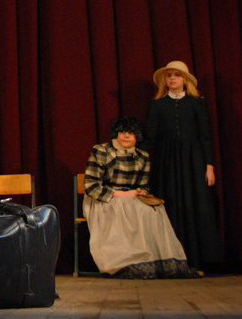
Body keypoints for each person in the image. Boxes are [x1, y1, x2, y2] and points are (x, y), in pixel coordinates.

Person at [84, 117, 198, 278]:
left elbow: (143, 184)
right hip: (104, 197)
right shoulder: (101, 150)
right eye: (123, 132)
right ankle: (124, 262)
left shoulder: (142, 156)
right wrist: (122, 195)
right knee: (124, 207)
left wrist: (141, 192)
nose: (126, 136)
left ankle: (155, 261)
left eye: (131, 133)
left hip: (131, 197)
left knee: (154, 208)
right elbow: (91, 186)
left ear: (137, 137)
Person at [146, 60, 222, 269]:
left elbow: (205, 136)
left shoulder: (196, 104)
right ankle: (172, 259)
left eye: (177, 75)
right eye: (169, 75)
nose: (172, 79)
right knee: (171, 203)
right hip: (167, 160)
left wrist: (209, 166)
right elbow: (150, 137)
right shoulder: (157, 105)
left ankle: (196, 259)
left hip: (193, 160)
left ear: (185, 79)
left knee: (194, 202)